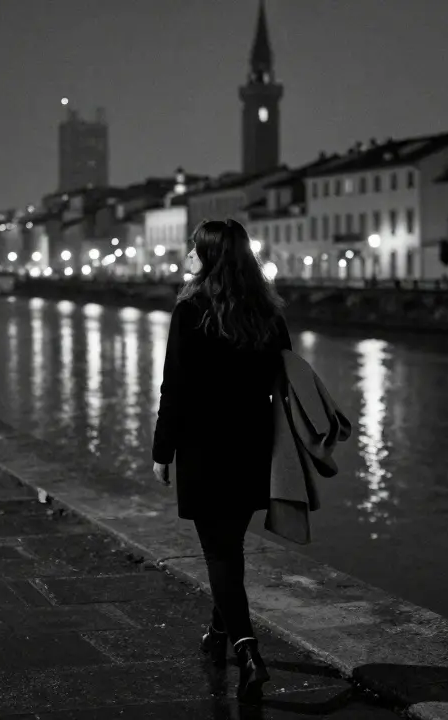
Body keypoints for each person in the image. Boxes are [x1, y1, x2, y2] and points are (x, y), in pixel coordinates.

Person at [151, 218, 290, 703]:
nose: (187, 254)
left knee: (220, 552)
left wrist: (161, 451)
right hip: (253, 448)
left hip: (204, 448)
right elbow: (285, 376)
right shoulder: (268, 313)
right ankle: (217, 634)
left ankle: (249, 651)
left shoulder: (191, 311)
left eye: (194, 248)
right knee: (229, 547)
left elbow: (175, 387)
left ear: (208, 256)